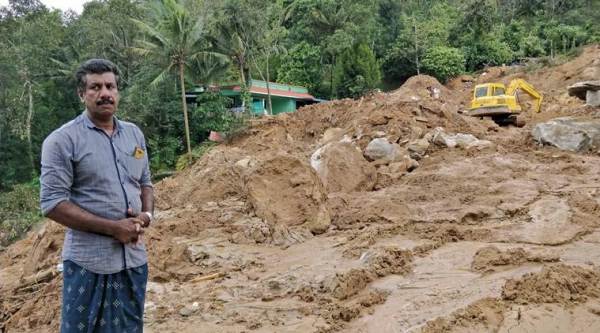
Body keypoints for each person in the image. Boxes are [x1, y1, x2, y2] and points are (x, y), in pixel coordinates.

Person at [40, 58, 154, 333]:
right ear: (82, 94)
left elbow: (146, 183)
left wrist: (146, 215)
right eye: (95, 87)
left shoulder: (134, 134)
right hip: (88, 264)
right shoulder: (62, 140)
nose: (105, 93)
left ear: (118, 92)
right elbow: (52, 203)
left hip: (133, 261)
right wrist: (114, 229)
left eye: (110, 86)